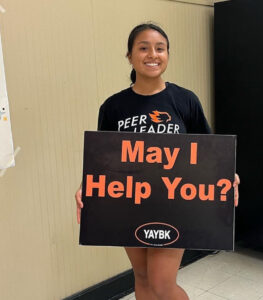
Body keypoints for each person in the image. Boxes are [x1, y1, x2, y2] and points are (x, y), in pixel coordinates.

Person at [75, 23, 240, 300]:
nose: (152, 54)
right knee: (141, 277)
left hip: (175, 206)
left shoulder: (184, 100)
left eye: (160, 48)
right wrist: (86, 187)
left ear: (167, 54)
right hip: (129, 204)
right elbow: (102, 159)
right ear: (130, 56)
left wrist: (228, 176)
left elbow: (209, 152)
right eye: (143, 48)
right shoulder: (113, 107)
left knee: (162, 284)